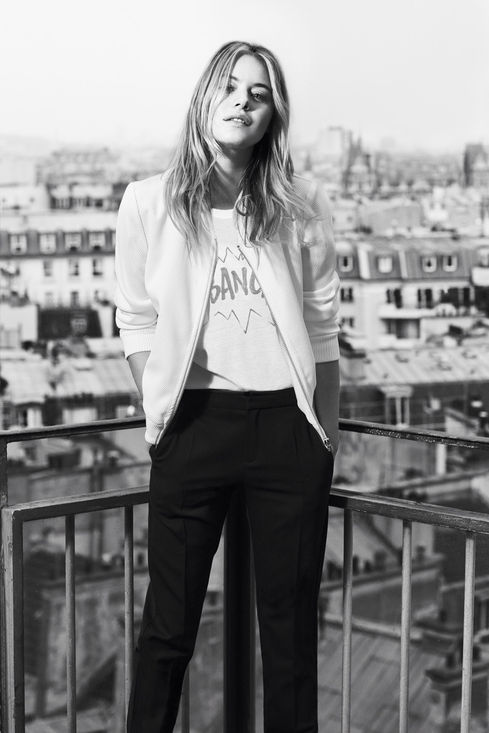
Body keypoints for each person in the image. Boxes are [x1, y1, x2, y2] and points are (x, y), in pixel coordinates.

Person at [114, 40, 340, 733]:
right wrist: (160, 411)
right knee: (168, 629)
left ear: (273, 115)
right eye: (230, 87)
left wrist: (323, 437)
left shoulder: (300, 204)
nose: (241, 102)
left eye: (258, 93)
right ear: (205, 97)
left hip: (286, 429)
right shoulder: (149, 203)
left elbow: (323, 325)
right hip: (193, 426)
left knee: (290, 635)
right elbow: (136, 319)